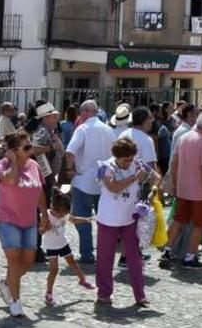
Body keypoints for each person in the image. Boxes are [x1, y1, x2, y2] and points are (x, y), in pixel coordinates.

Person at [94, 136, 158, 307]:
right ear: (117, 157)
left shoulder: (137, 163)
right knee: (105, 258)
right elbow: (113, 187)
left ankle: (140, 295)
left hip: (130, 218)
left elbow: (157, 179)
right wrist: (134, 178)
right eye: (125, 160)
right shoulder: (106, 167)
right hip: (108, 219)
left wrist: (150, 194)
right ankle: (104, 293)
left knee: (135, 258)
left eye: (131, 159)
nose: (128, 163)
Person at [0, 130, 46, 318]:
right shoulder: (2, 166)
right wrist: (14, 161)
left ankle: (7, 284)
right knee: (14, 261)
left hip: (30, 220)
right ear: (15, 151)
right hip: (7, 219)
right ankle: (15, 301)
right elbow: (13, 179)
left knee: (28, 261)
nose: (31, 149)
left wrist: (45, 216)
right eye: (27, 147)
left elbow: (40, 191)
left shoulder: (34, 166)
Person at [164, 111, 202, 269]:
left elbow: (174, 163)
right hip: (199, 192)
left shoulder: (184, 137)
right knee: (198, 225)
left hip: (183, 189)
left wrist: (175, 185)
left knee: (178, 221)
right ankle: (190, 257)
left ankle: (167, 251)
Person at [64, 100, 115, 265]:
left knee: (81, 219)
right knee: (105, 221)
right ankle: (105, 253)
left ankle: (87, 254)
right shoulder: (109, 130)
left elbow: (70, 151)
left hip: (83, 181)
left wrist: (70, 169)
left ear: (85, 112)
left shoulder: (83, 129)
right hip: (104, 182)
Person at [40, 189, 94, 306]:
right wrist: (45, 229)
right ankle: (48, 293)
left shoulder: (64, 214)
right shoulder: (46, 216)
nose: (62, 216)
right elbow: (39, 232)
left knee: (73, 263)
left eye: (64, 214)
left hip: (63, 243)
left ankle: (82, 280)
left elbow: (73, 219)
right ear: (54, 208)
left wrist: (86, 219)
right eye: (61, 214)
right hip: (51, 247)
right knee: (54, 270)